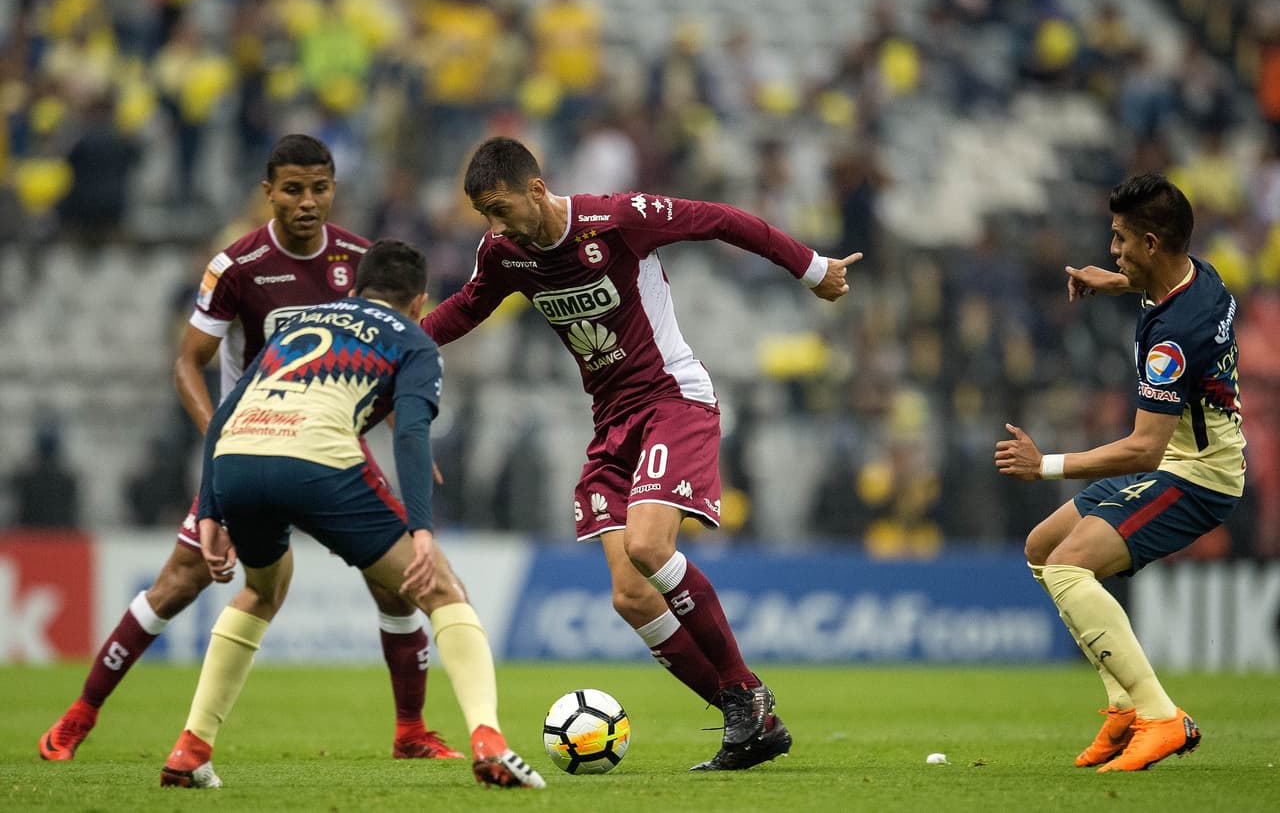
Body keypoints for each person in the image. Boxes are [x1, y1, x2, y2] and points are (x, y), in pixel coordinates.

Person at [421, 136, 861, 771]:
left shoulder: (616, 219)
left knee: (650, 548)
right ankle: (751, 721)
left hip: (672, 400)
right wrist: (402, 342)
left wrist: (811, 267)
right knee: (630, 595)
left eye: (501, 208)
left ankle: (745, 691)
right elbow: (468, 307)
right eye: (485, 216)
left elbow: (720, 218)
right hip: (610, 423)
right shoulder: (503, 253)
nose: (495, 226)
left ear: (536, 190)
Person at [40, 135, 461, 762]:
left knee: (394, 584)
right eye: (293, 189)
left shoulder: (360, 260)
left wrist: (408, 428)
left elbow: (388, 351)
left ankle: (410, 733)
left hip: (332, 442)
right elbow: (188, 361)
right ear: (269, 192)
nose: (307, 202)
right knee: (180, 581)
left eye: (319, 189)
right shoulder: (236, 266)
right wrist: (221, 436)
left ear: (333, 189)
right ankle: (78, 716)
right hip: (252, 440)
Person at [160, 239, 543, 790]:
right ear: (419, 301)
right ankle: (490, 741)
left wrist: (210, 513)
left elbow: (225, 416)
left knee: (262, 590)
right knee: (442, 592)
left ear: (356, 288)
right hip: (316, 461)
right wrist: (422, 529)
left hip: (239, 458)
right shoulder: (413, 339)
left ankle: (190, 749)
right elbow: (411, 434)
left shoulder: (297, 323)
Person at [995, 173, 1245, 772]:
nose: (1113, 250)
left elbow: (1143, 451)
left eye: (1120, 241)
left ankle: (1161, 716)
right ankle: (1124, 704)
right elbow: (1152, 281)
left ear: (1154, 244)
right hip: (1189, 458)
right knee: (1042, 547)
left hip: (1197, 477)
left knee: (1068, 566)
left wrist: (1045, 466)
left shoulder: (1174, 340)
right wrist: (1109, 283)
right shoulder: (1201, 277)